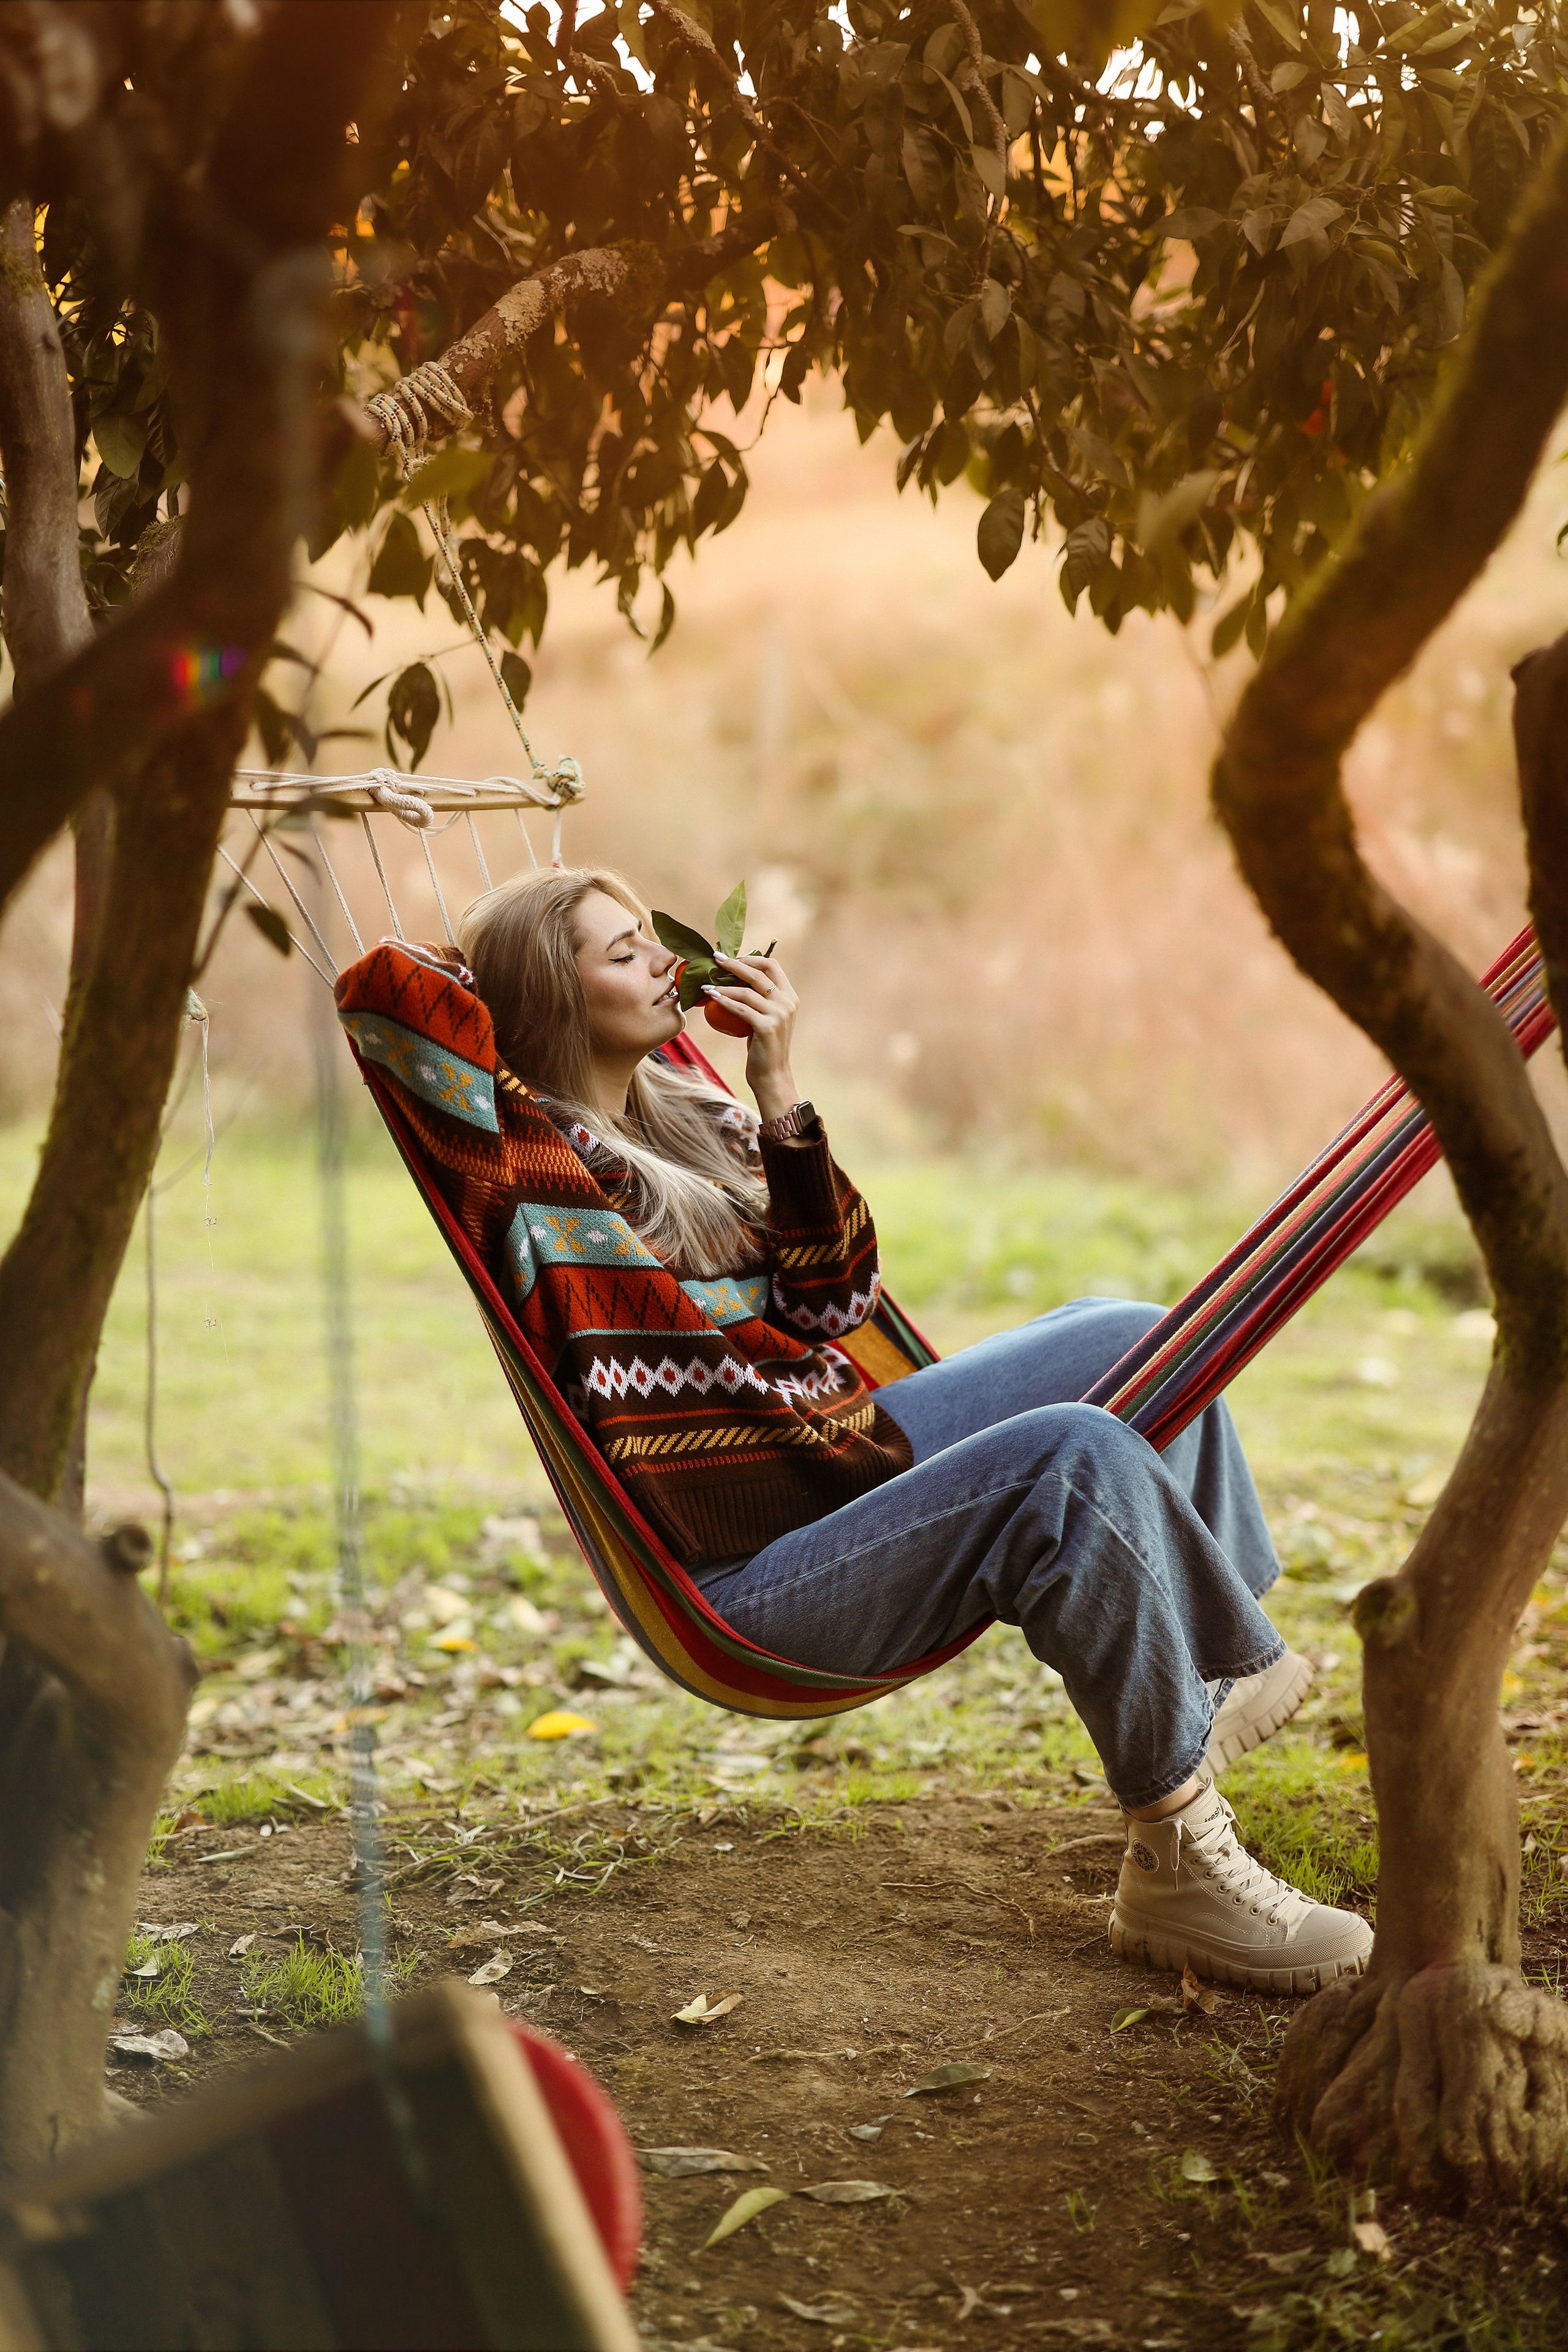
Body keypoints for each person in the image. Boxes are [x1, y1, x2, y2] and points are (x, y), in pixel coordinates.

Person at [344, 865, 1371, 1996]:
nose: (662, 963)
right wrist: (464, 958)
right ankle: (1179, 1857)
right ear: (548, 994)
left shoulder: (695, 1112)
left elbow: (834, 1306)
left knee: (1134, 1335)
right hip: (751, 1569)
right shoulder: (538, 1167)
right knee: (1074, 1456)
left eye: (651, 938)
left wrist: (776, 1082)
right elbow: (391, 1002)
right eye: (621, 951)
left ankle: (1212, 1674)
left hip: (836, 1453)